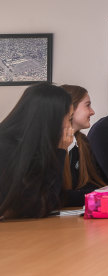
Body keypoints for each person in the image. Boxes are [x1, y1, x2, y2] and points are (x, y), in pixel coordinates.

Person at [0, 83, 73, 219]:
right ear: (52, 118)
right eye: (68, 119)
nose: (69, 126)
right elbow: (36, 208)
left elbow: (51, 200)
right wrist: (60, 151)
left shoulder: (34, 148)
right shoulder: (6, 147)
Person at [60, 85, 108, 207]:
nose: (92, 112)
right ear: (70, 109)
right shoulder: (49, 146)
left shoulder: (83, 142)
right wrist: (99, 194)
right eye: (87, 105)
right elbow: (57, 196)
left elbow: (92, 183)